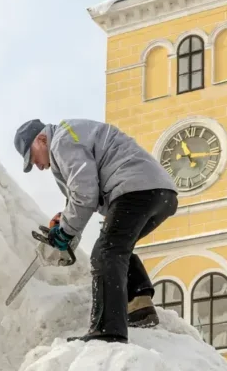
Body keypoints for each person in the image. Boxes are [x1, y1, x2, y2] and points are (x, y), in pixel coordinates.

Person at [14, 118, 178, 342]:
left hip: (135, 188)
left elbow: (85, 193)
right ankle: (139, 306)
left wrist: (65, 232)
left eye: (33, 157)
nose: (38, 165)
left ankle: (108, 331)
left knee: (105, 253)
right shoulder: (71, 136)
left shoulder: (61, 142)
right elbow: (81, 192)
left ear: (41, 139)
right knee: (117, 247)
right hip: (160, 193)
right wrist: (65, 219)